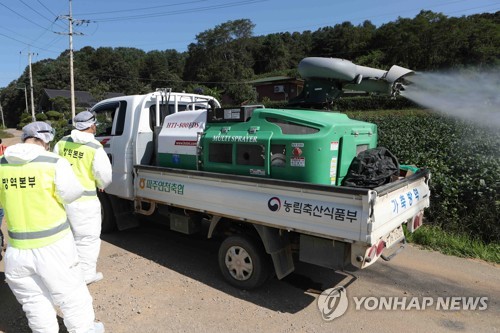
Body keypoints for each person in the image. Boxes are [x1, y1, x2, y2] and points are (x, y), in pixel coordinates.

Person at [0, 121, 104, 332]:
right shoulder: (53, 162)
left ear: (24, 139)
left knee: (34, 302)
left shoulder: (2, 165)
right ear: (46, 140)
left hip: (17, 250)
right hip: (55, 247)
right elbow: (71, 193)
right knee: (73, 296)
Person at [54, 111, 112, 285]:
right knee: (87, 239)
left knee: (66, 237)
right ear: (92, 125)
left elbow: (53, 166)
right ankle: (86, 275)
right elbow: (104, 175)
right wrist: (101, 183)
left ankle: (67, 271)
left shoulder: (62, 142)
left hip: (62, 200)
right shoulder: (94, 147)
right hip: (85, 202)